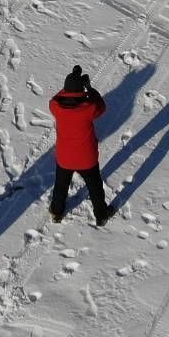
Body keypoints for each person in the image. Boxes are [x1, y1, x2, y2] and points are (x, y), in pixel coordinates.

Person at [48, 65, 112, 226]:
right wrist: (89, 88)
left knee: (60, 186)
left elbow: (55, 98)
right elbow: (101, 106)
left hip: (64, 158)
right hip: (87, 159)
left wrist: (71, 81)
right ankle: (101, 214)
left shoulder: (55, 107)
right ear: (80, 92)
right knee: (95, 187)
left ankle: (56, 212)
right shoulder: (89, 108)